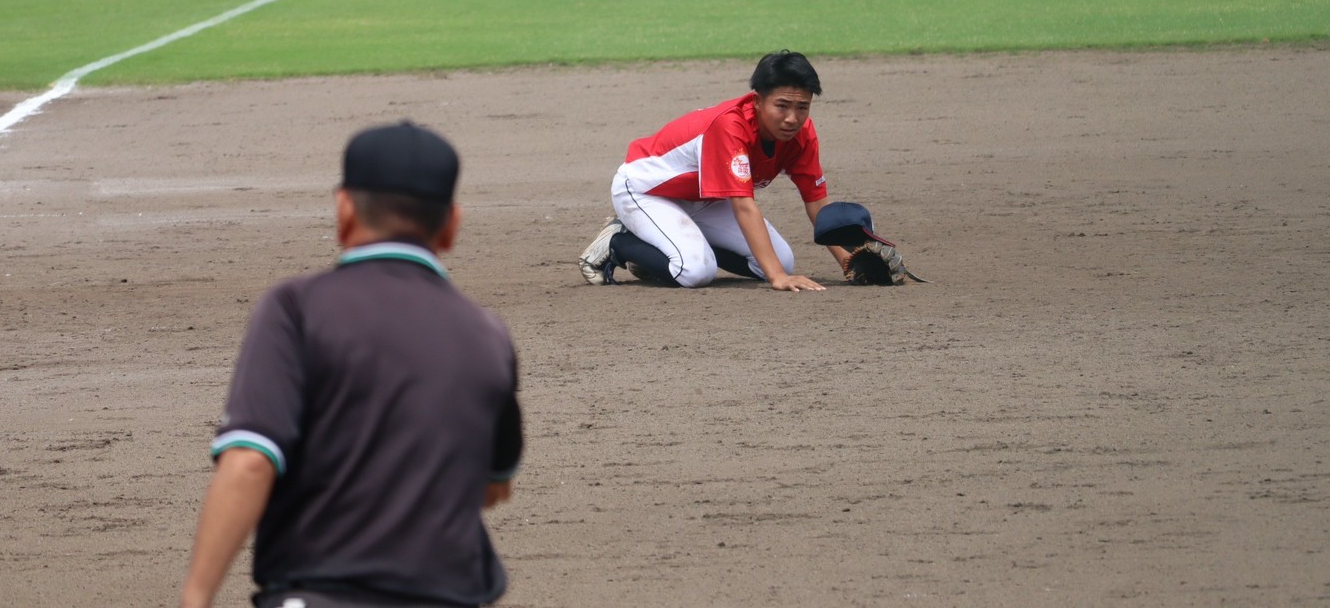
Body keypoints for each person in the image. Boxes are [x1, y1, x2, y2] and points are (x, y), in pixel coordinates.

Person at [181, 122, 522, 608]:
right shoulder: (488, 334)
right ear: (451, 225)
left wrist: (196, 598)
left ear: (344, 209)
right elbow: (494, 485)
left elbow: (251, 461)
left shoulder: (297, 308)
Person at [577, 50, 853, 291]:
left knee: (782, 260)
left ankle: (661, 246)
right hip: (645, 190)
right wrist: (777, 277)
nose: (792, 118)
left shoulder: (801, 134)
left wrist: (848, 262)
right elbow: (743, 206)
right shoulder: (729, 127)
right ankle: (619, 241)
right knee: (695, 271)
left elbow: (816, 202)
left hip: (702, 198)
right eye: (782, 106)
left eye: (802, 107)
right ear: (758, 101)